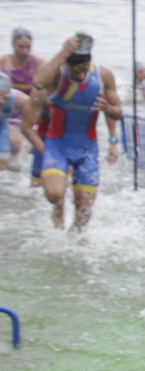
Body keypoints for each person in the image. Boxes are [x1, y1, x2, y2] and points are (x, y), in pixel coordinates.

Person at [20, 33, 122, 232]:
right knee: (54, 194)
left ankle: (72, 243)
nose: (80, 74)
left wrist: (110, 118)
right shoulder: (57, 76)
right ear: (66, 64)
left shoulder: (104, 76)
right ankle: (58, 210)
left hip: (87, 149)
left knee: (84, 213)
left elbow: (118, 113)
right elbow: (38, 81)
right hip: (57, 146)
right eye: (75, 69)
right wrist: (63, 52)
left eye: (84, 68)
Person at [1, 27, 45, 172]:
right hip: (8, 112)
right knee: (15, 144)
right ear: (13, 45)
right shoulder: (3, 62)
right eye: (21, 47)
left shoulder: (38, 63)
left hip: (28, 112)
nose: (25, 51)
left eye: (28, 47)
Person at [0, 73, 31, 173]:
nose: (1, 102)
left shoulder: (19, 99)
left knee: (3, 166)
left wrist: (35, 140)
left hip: (2, 124)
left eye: (5, 97)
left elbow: (42, 112)